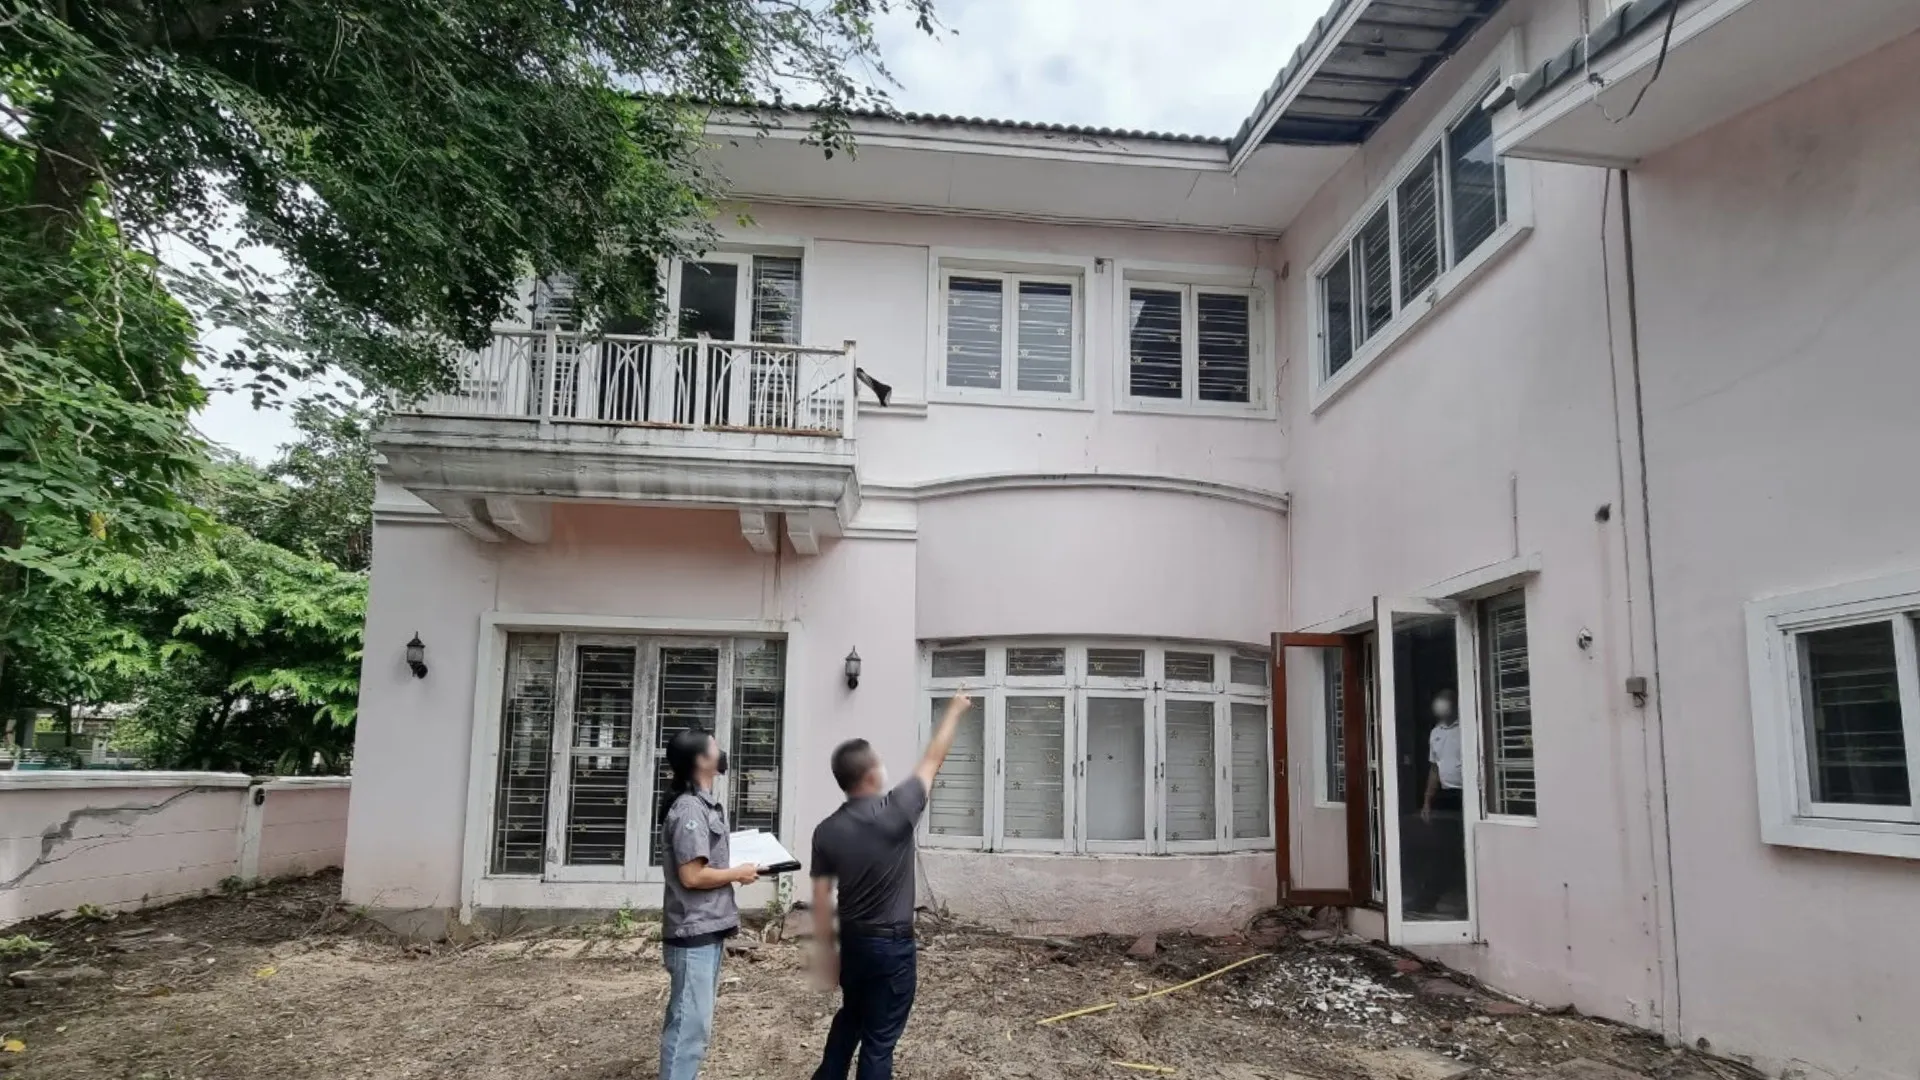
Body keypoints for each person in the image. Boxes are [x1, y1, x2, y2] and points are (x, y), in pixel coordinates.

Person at [808, 690, 973, 1080]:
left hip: (853, 944)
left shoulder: (825, 831)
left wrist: (827, 956)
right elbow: (934, 758)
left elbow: (820, 900)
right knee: (879, 1041)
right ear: (870, 775)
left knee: (852, 1014)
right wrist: (955, 709)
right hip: (891, 948)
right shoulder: (896, 811)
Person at [658, 728, 758, 1080]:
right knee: (689, 1028)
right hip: (693, 931)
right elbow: (692, 875)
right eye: (715, 747)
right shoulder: (689, 808)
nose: (721, 752)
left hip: (706, 927)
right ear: (701, 760)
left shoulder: (702, 804)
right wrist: (737, 873)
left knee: (692, 1023)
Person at [1416, 688, 1465, 916]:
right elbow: (1434, 768)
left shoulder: (1466, 727)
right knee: (1441, 848)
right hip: (1445, 795)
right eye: (1440, 700)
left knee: (1461, 847)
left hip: (1466, 794)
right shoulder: (1436, 732)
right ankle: (1434, 896)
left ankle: (1462, 897)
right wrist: (1427, 801)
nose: (1441, 704)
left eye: (1446, 700)